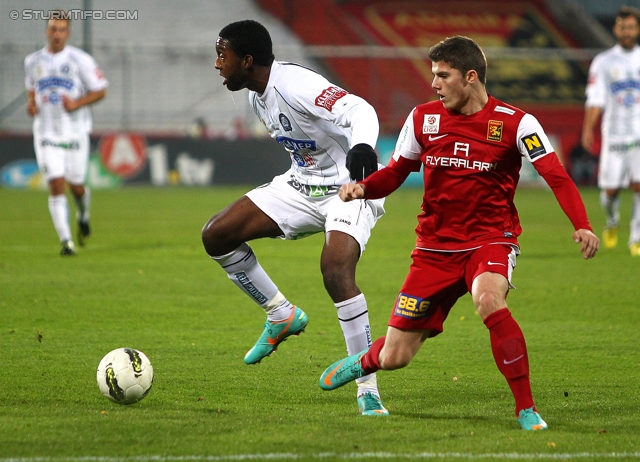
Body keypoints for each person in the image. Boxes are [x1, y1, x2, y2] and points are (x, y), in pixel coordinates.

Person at [319, 36, 600, 430]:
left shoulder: (517, 123)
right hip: (433, 249)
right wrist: (364, 187)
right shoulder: (422, 119)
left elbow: (555, 175)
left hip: (490, 240)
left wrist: (582, 224)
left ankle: (526, 408)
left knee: (489, 300)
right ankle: (365, 362)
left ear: (471, 76)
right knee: (396, 356)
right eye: (434, 74)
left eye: (443, 75)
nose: (434, 83)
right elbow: (398, 171)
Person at [201, 20, 388, 416]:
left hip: (348, 187)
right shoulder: (257, 95)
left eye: (223, 55)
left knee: (336, 270)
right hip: (302, 186)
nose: (218, 64)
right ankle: (280, 313)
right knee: (218, 234)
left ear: (247, 61)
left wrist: (363, 147)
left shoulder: (295, 84)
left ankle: (367, 387)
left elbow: (360, 108)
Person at [24, 11, 108, 256]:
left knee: (77, 187)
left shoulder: (80, 60)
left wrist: (78, 103)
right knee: (56, 183)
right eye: (53, 29)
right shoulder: (32, 61)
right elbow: (31, 88)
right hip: (46, 133)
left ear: (68, 33)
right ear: (46, 31)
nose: (57, 34)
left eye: (61, 29)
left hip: (75, 133)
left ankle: (83, 215)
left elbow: (101, 90)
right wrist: (31, 104)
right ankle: (67, 242)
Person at [581, 6, 640, 256]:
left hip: (638, 135)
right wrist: (587, 129)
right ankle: (612, 221)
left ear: (637, 29)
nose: (626, 32)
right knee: (610, 190)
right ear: (616, 29)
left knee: (638, 185)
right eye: (622, 27)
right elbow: (596, 99)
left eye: (630, 27)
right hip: (614, 136)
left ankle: (636, 238)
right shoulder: (604, 62)